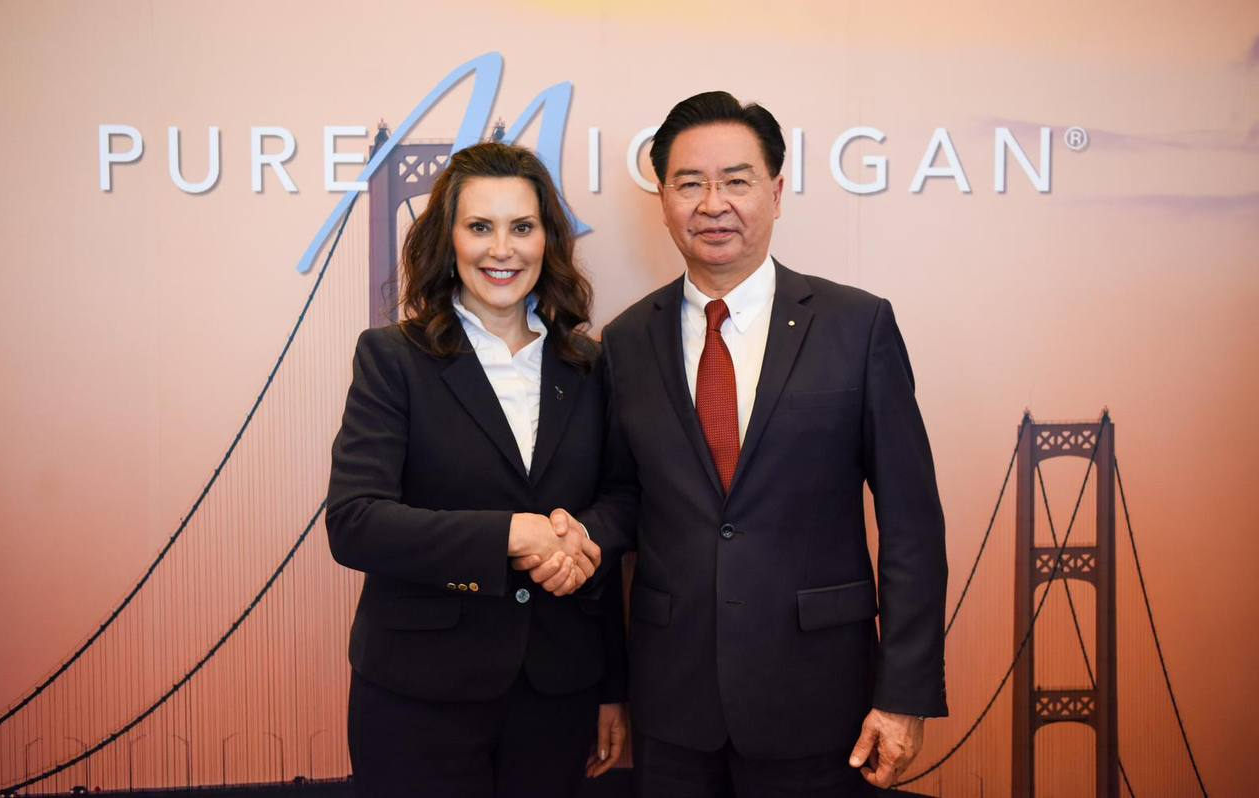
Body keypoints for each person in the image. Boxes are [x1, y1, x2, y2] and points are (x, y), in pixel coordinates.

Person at [540, 92, 949, 796]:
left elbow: (911, 523)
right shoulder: (627, 340)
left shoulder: (857, 327)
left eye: (736, 180)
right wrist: (577, 543)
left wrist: (903, 695)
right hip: (672, 701)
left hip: (822, 698)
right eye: (689, 184)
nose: (713, 204)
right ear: (663, 199)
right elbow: (623, 500)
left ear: (777, 192)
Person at [325, 141, 628, 798]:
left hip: (558, 691)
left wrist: (611, 682)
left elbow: (620, 499)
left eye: (522, 227)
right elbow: (354, 522)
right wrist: (511, 535)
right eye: (480, 227)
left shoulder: (591, 364)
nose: (503, 249)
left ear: (548, 240)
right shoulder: (391, 358)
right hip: (417, 694)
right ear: (449, 240)